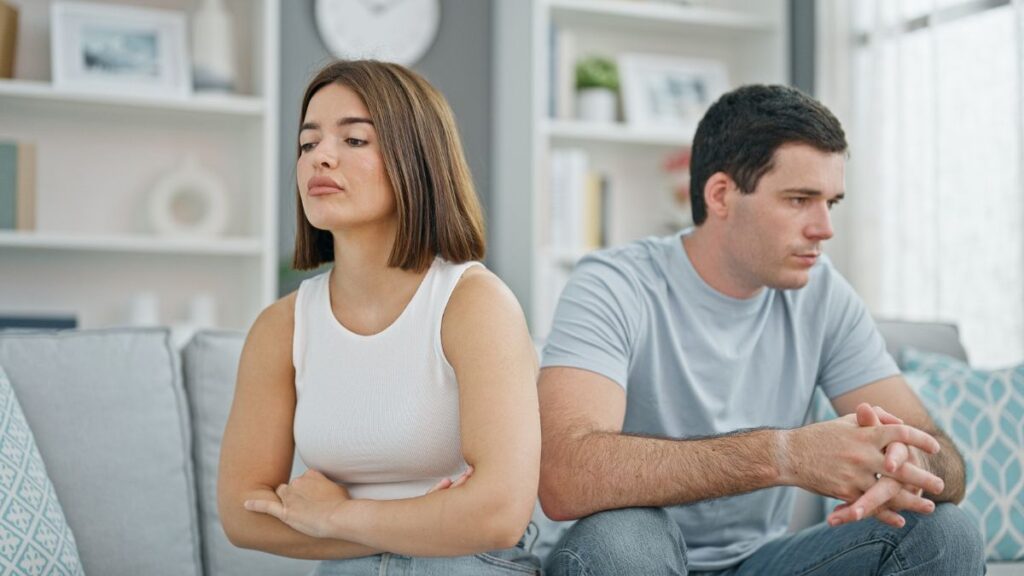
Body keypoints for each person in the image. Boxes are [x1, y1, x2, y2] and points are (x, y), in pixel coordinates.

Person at [537, 84, 985, 575]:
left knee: (945, 532)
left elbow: (943, 462)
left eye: (830, 203)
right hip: (631, 557)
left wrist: (905, 462)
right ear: (721, 195)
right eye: (799, 199)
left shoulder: (822, 294)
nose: (823, 228)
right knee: (626, 537)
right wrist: (784, 454)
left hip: (759, 564)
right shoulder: (614, 285)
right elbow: (564, 475)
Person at [217, 60, 542, 575]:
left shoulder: (475, 304)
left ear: (417, 160)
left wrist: (337, 515)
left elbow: (499, 515)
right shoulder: (281, 328)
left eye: (354, 141)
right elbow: (243, 515)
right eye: (307, 144)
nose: (320, 158)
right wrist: (425, 522)